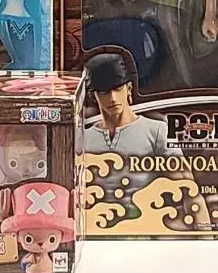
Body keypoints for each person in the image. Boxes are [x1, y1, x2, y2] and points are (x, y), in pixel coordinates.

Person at [81, 52, 209, 226]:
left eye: (118, 88)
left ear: (128, 89)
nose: (112, 98)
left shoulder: (156, 131)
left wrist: (206, 236)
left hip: (144, 227)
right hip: (95, 228)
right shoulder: (83, 138)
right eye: (104, 92)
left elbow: (189, 190)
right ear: (93, 96)